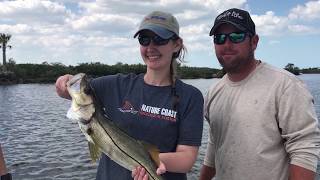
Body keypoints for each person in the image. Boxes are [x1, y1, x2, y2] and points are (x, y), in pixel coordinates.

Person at [55, 11, 204, 180]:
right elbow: (70, 92)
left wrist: (148, 161)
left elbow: (187, 158)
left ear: (176, 45)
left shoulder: (191, 96)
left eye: (160, 39)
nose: (151, 47)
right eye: (144, 40)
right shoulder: (116, 84)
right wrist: (63, 81)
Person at [199, 8, 320, 180]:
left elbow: (305, 150)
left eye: (236, 36)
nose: (227, 44)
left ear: (254, 42)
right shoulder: (213, 92)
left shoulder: (286, 85)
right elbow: (215, 144)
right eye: (219, 38)